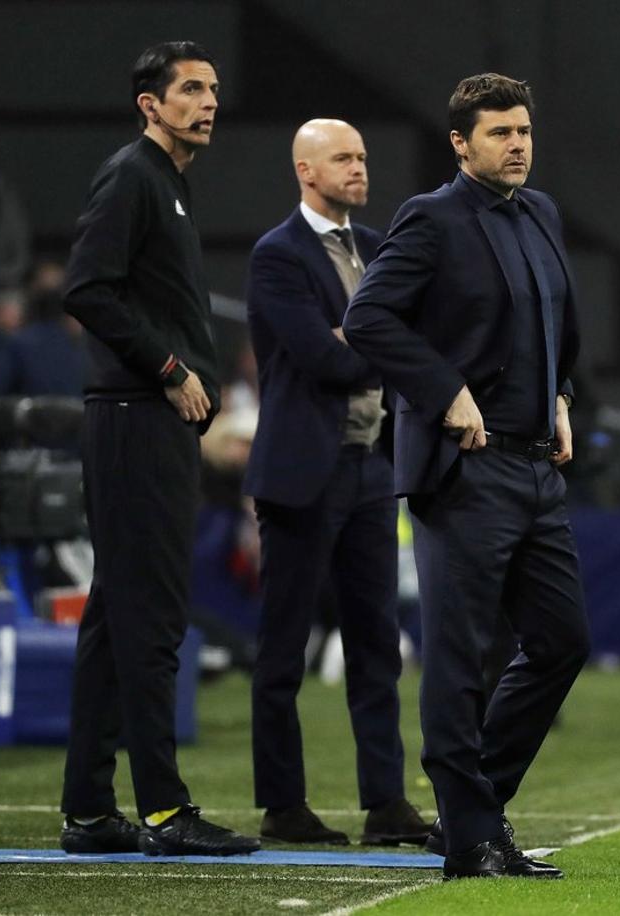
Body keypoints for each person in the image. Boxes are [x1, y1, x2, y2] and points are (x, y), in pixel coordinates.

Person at [343, 73, 590, 880]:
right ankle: (474, 832)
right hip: (467, 471)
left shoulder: (542, 212)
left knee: (561, 641)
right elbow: (368, 317)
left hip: (536, 469)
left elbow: (558, 322)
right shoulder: (432, 219)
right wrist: (445, 391)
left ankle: (471, 807)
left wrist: (559, 394)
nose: (517, 144)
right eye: (499, 133)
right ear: (460, 143)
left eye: (524, 131)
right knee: (458, 656)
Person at [58, 41, 258, 857]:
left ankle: (88, 811)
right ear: (151, 104)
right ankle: (167, 813)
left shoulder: (165, 183)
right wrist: (171, 367)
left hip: (147, 421)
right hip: (137, 418)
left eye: (212, 89)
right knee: (150, 620)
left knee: (116, 618)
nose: (207, 101)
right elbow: (85, 287)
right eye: (189, 90)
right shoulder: (134, 176)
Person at [244, 119, 429, 847]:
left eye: (361, 157)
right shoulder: (277, 256)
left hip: (371, 469)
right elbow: (328, 362)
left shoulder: (379, 248)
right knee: (283, 646)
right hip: (302, 472)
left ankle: (386, 804)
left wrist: (366, 341)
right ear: (304, 169)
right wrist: (375, 344)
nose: (359, 169)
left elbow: (396, 347)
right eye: (343, 158)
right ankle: (283, 805)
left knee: (377, 645)